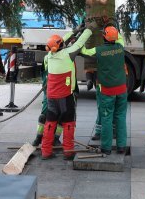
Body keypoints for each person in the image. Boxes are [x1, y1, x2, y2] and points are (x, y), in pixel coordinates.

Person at [41, 26, 92, 160]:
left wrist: (75, 30)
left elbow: (59, 42)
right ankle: (68, 151)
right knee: (68, 124)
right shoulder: (68, 54)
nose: (64, 43)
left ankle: (45, 151)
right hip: (65, 97)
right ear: (60, 46)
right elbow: (80, 43)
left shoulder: (49, 56)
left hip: (51, 97)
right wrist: (89, 29)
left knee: (50, 123)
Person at [81, 25, 128, 155]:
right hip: (122, 90)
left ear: (104, 37)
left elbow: (84, 51)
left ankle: (106, 148)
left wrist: (80, 39)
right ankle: (121, 147)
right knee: (120, 117)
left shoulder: (99, 50)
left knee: (107, 118)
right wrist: (113, 25)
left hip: (107, 91)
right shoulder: (120, 47)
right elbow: (120, 37)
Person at [31, 51, 62, 147]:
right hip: (50, 90)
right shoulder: (48, 57)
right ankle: (39, 137)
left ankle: (55, 138)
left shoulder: (51, 57)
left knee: (61, 116)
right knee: (44, 115)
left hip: (59, 91)